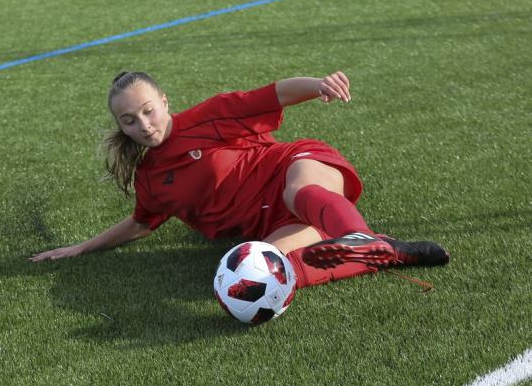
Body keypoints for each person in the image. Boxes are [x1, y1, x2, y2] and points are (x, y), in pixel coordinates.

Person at [30, 71, 448, 290]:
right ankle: (387, 253)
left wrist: (319, 85)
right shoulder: (152, 179)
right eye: (129, 120)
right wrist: (82, 247)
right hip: (273, 226)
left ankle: (359, 238)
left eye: (148, 111)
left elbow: (273, 94)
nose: (143, 124)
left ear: (164, 102)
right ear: (122, 127)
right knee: (261, 272)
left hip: (294, 167)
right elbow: (141, 222)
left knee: (300, 190)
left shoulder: (209, 115)